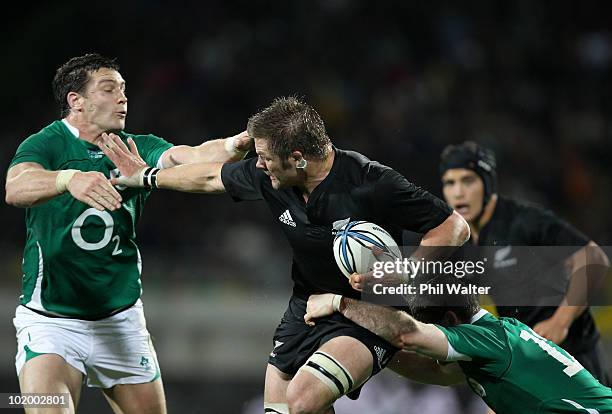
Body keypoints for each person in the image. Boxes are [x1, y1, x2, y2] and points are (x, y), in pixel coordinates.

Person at [99, 96, 471, 414]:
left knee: (302, 399)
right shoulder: (272, 176)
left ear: (298, 158)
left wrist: (407, 273)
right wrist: (148, 177)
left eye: (264, 157)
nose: (257, 164)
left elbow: (454, 226)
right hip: (306, 308)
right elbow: (211, 177)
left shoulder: (371, 183)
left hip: (367, 312)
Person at [4, 53, 251, 414]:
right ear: (76, 100)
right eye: (109, 89)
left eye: (124, 90)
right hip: (51, 321)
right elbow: (15, 186)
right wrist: (67, 178)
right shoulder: (47, 144)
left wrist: (234, 144)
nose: (123, 98)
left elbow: (193, 156)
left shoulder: (135, 148)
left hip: (120, 320)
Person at [434, 141, 610, 387]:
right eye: (450, 183)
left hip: (574, 357)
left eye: (468, 180)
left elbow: (594, 259)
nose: (458, 192)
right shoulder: (464, 241)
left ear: (487, 184)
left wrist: (561, 321)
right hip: (528, 362)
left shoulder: (523, 221)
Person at [303, 289, 612, 413]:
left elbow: (407, 333)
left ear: (451, 320)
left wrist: (339, 304)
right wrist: (374, 348)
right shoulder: (503, 334)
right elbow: (437, 372)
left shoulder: (487, 341)